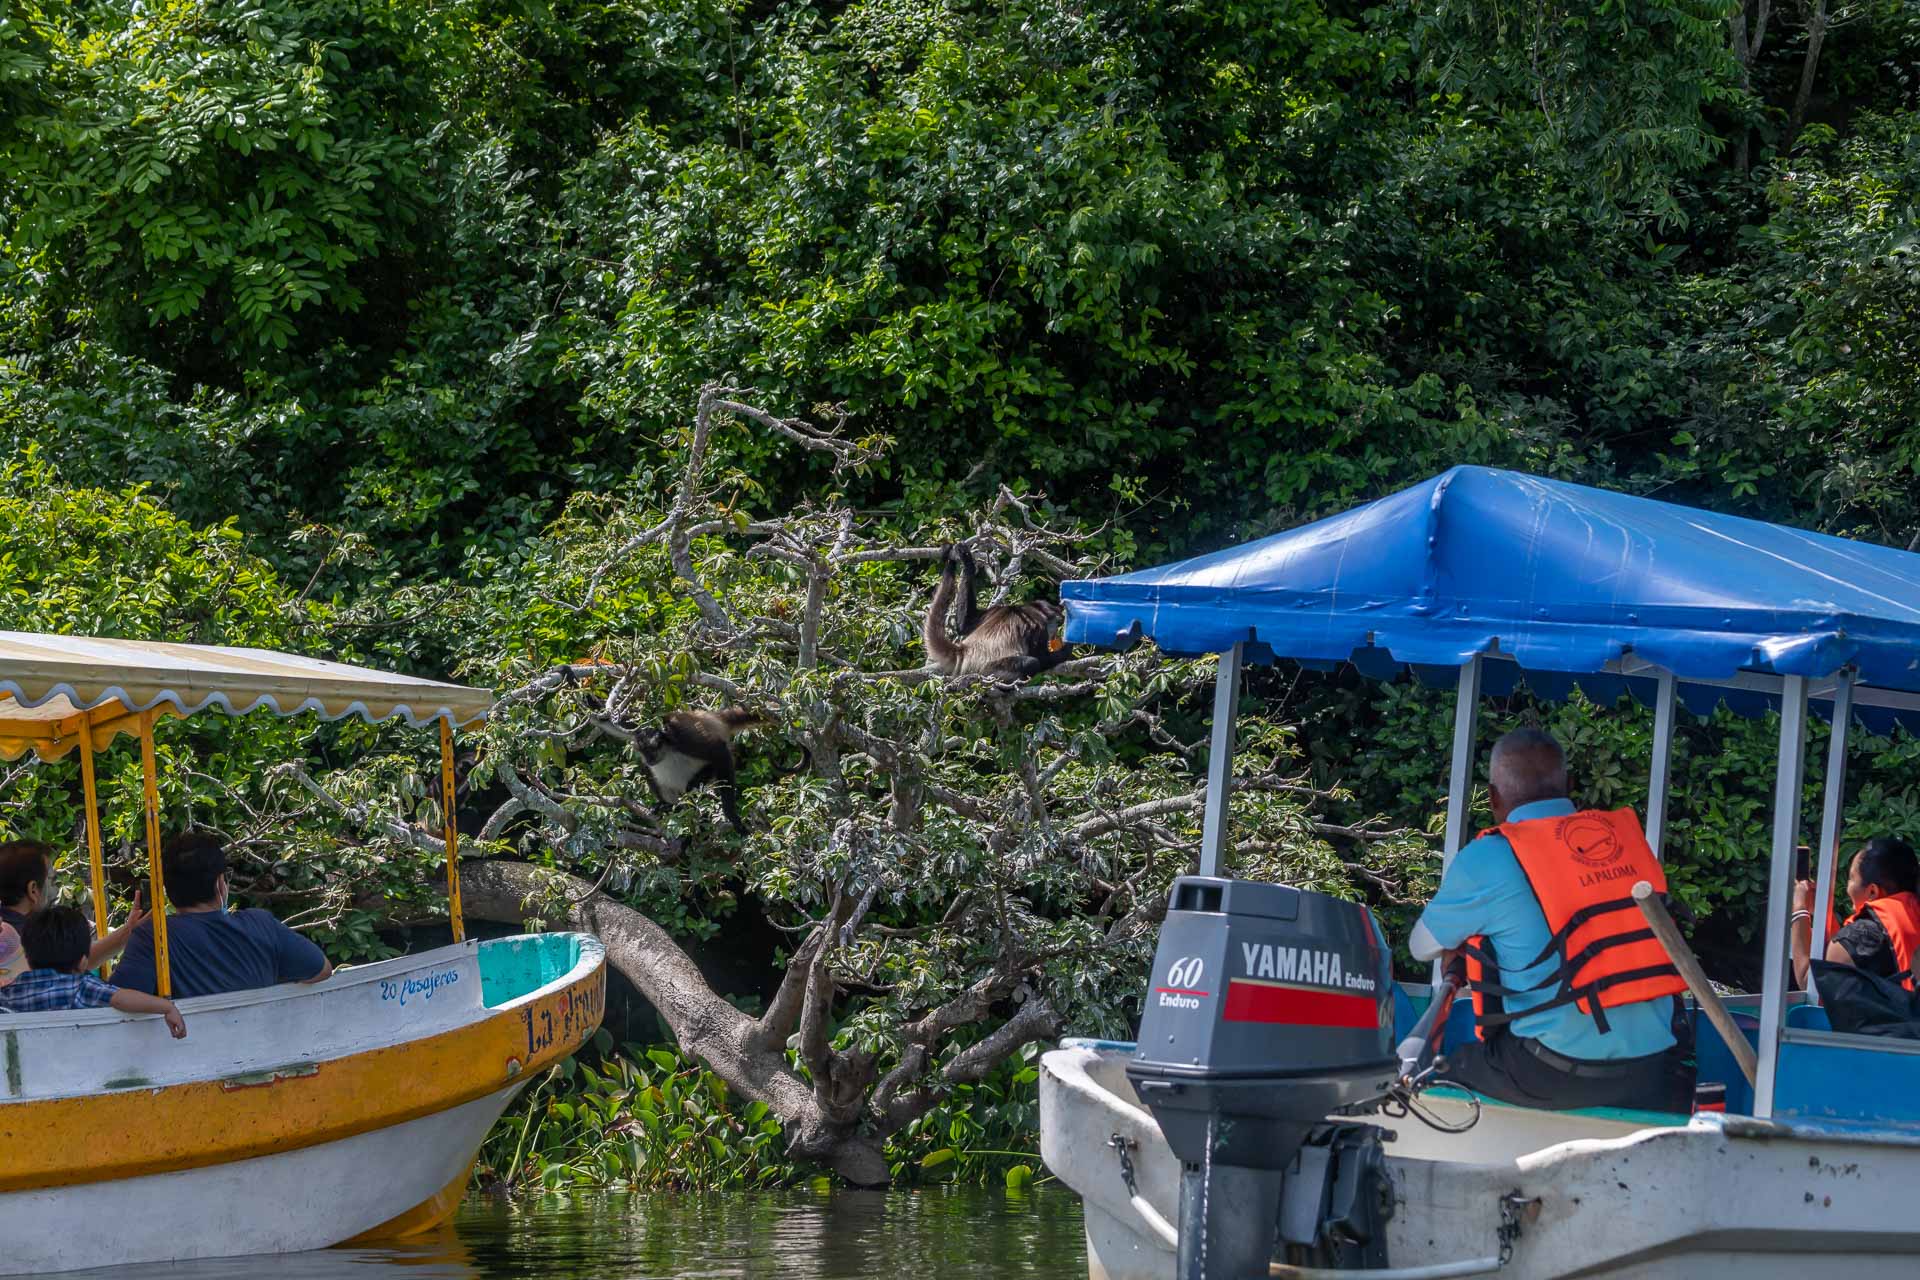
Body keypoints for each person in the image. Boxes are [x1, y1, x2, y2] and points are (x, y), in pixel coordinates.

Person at [1409, 727, 1693, 1113]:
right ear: (1569, 786)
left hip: (1551, 1072)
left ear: (1492, 797)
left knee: (1434, 1080)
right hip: (1653, 1069)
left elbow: (1421, 947)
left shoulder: (1489, 856)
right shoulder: (1625, 847)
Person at [111, 832, 331, 999]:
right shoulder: (261, 924)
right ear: (220, 884)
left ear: (167, 890)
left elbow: (113, 1003)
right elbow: (322, 970)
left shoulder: (152, 936)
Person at [0, 905, 186, 1036]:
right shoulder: (81, 987)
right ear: (82, 963)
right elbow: (121, 998)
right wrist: (167, 1007)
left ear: (29, 959)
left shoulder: (10, 992)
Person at [1791, 837, 1920, 990]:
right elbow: (1845, 953)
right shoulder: (1911, 912)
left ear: (1872, 891)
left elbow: (1809, 982)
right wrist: (1822, 912)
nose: (1847, 887)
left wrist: (1798, 910)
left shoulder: (1862, 936)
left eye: (1851, 878)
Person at [0, 839, 147, 970]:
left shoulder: (11, 933)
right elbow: (71, 966)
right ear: (33, 890)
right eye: (51, 881)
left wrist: (129, 930)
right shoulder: (27, 937)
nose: (56, 890)